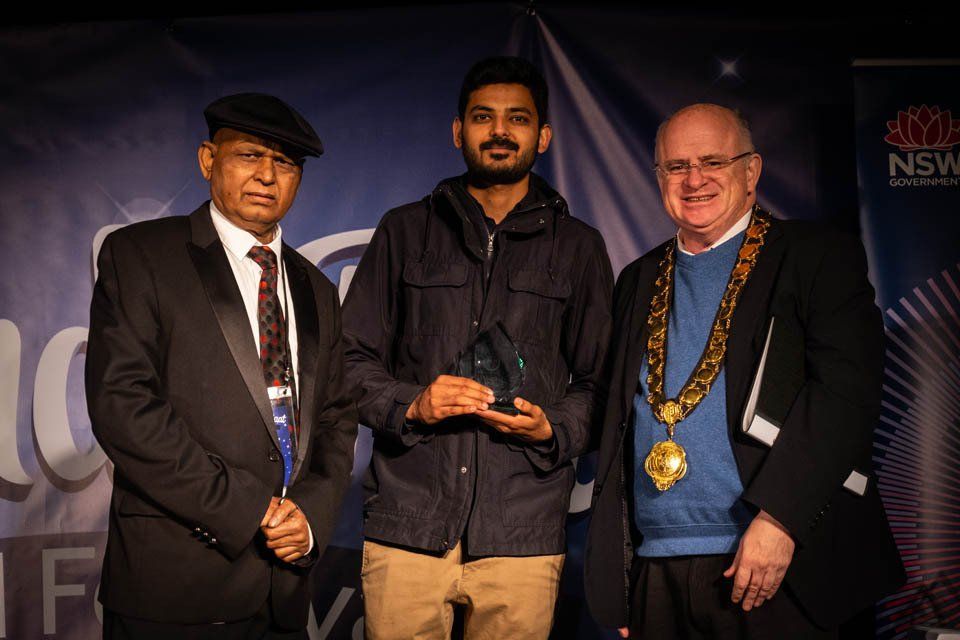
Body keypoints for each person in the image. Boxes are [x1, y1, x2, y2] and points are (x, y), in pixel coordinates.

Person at [584, 103, 904, 639]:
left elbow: (846, 396)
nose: (694, 180)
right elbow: (620, 422)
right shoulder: (638, 278)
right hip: (656, 567)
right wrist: (622, 579)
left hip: (775, 558)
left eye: (713, 161)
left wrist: (781, 518)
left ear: (751, 170)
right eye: (677, 166)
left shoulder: (815, 256)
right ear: (659, 178)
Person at [342, 56, 613, 639]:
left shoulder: (579, 247)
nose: (500, 130)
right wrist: (413, 405)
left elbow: (600, 384)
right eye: (483, 116)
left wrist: (552, 428)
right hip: (408, 525)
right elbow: (348, 360)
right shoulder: (403, 230)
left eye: (518, 118)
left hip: (522, 533)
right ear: (457, 130)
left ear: (543, 136)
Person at [86, 93, 357, 640]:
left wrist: (308, 516)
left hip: (284, 588)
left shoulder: (317, 288)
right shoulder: (141, 255)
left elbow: (336, 418)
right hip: (175, 588)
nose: (266, 175)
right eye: (249, 155)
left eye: (284, 163)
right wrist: (247, 508)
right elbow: (123, 406)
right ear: (208, 160)